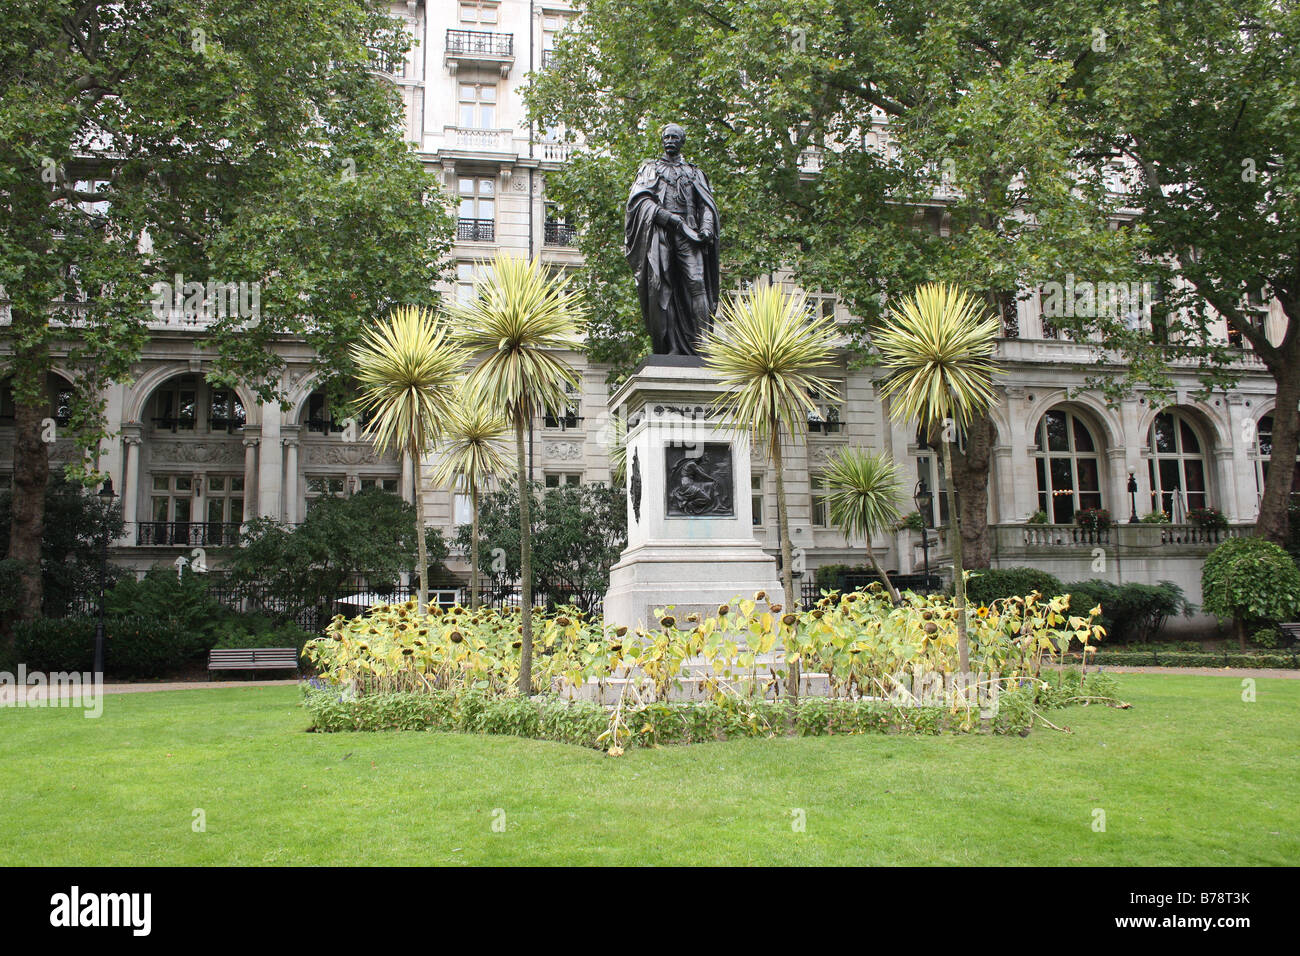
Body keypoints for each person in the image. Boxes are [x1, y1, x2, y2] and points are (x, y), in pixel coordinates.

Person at [625, 123, 721, 355]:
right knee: (661, 286)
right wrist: (669, 219)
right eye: (666, 136)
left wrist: (707, 227)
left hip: (691, 234)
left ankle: (702, 343)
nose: (669, 140)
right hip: (661, 233)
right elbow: (640, 202)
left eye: (674, 137)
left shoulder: (694, 172)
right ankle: (670, 346)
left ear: (681, 141)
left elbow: (706, 205)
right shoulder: (650, 169)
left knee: (697, 283)